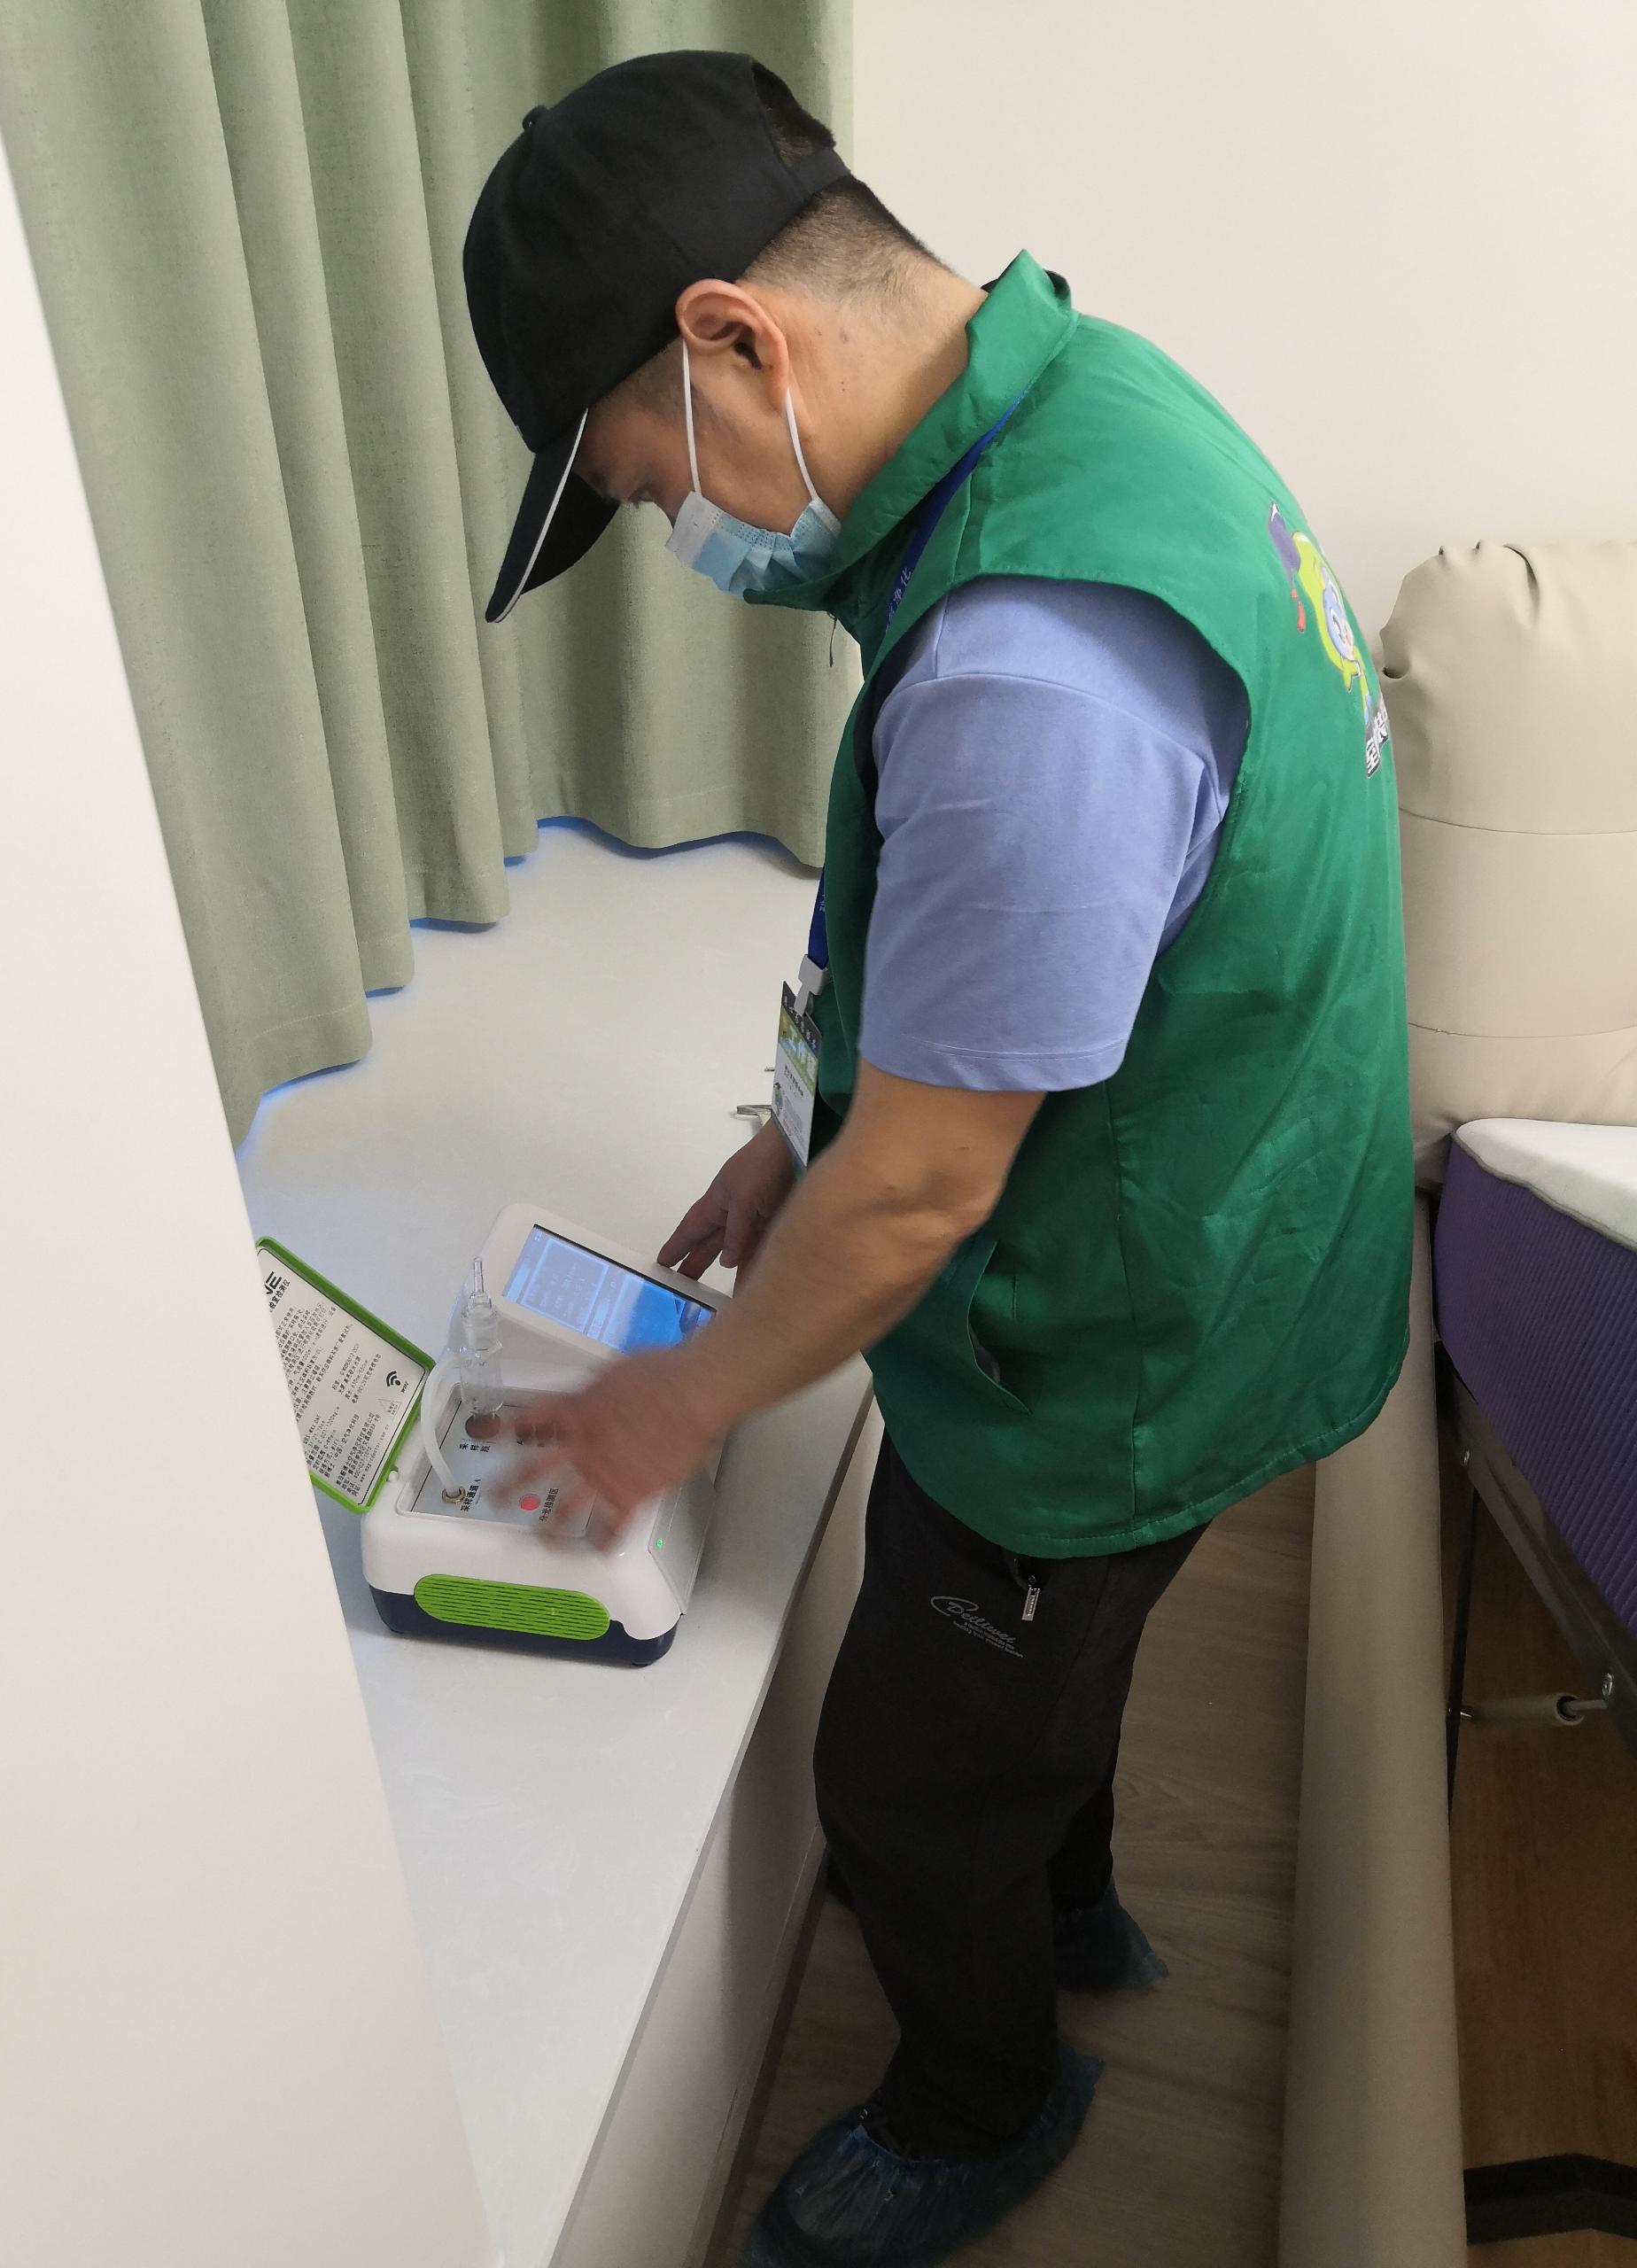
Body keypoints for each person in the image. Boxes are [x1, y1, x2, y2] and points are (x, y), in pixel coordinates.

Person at [462, 49, 1412, 2268]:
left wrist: (668, 1406)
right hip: (1245, 1221)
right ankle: (1071, 1894)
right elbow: (993, 943)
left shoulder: (1026, 671)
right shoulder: (1088, 411)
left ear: (734, 339)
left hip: (1116, 1350)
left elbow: (924, 1191)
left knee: (901, 1780)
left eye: (649, 481)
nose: (684, 541)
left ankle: (983, 2099)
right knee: (1045, 1687)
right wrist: (791, 1132)